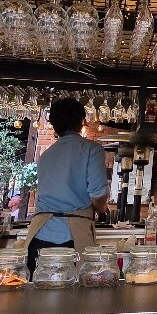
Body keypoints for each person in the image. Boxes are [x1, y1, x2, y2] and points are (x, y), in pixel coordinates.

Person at [23, 98, 109, 273]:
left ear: (54, 125)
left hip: (39, 234)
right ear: (82, 121)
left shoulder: (46, 155)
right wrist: (101, 209)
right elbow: (98, 194)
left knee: (40, 285)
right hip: (72, 235)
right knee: (74, 287)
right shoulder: (92, 149)